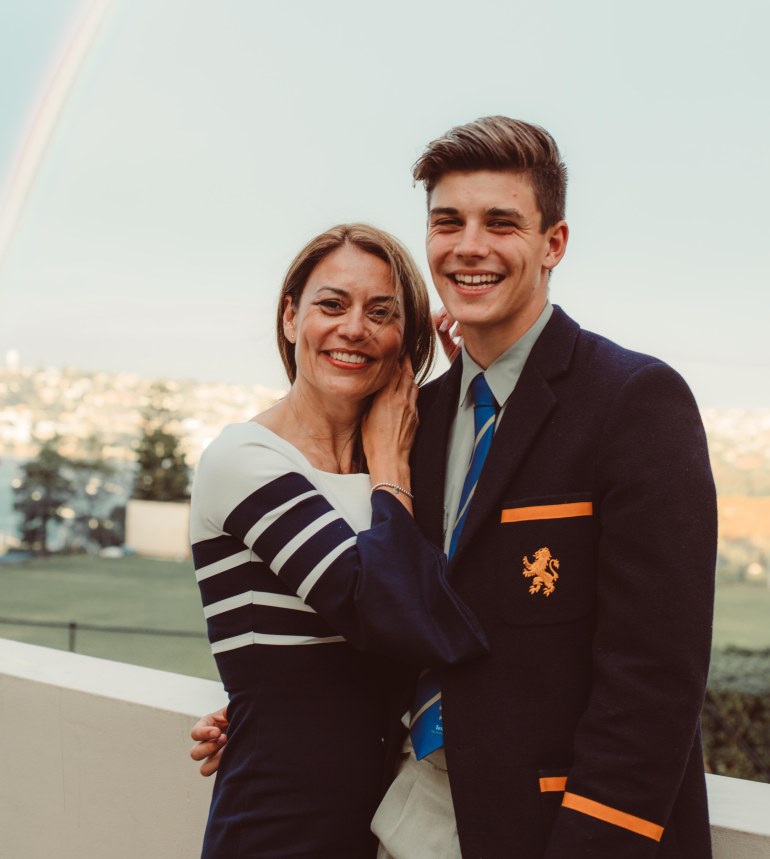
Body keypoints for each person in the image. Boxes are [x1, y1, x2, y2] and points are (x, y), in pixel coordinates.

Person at [193, 118, 718, 859]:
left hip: (557, 833)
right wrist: (263, 705)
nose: (469, 246)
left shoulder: (633, 402)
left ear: (554, 243)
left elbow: (655, 682)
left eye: (500, 222)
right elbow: (397, 612)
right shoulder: (416, 423)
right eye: (448, 222)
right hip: (408, 824)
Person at [189, 222, 488, 859]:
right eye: (332, 304)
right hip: (278, 825)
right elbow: (384, 611)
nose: (354, 328)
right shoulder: (247, 459)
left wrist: (469, 391)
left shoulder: (407, 468)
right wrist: (390, 469)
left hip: (390, 822)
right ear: (290, 317)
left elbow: (457, 610)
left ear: (405, 339)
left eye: (381, 313)